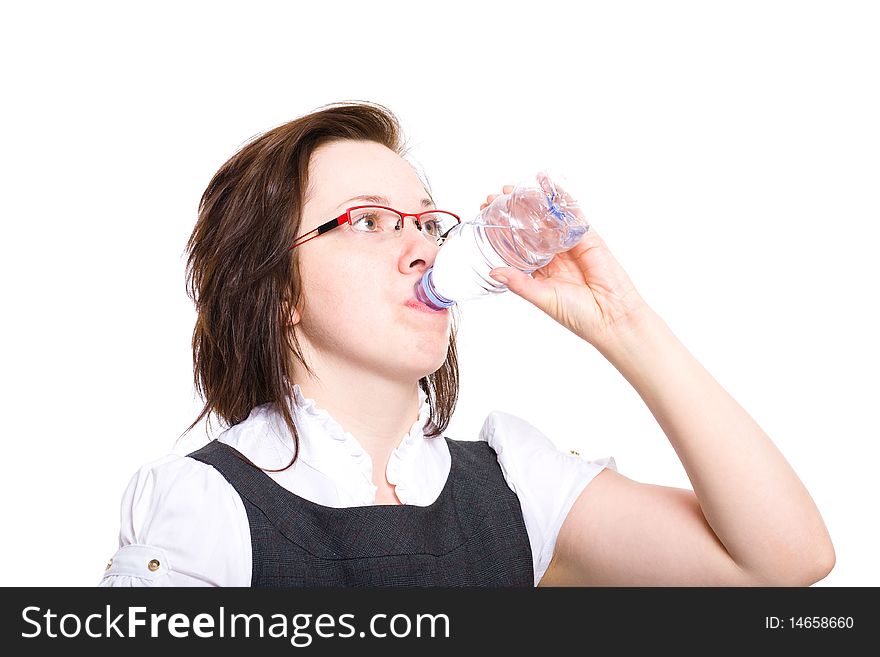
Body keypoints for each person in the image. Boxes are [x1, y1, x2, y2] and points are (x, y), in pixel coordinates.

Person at [99, 101, 835, 587]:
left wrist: (623, 323)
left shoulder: (516, 491)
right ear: (279, 291)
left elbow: (784, 561)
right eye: (369, 220)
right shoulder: (206, 509)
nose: (421, 246)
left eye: (426, 221)